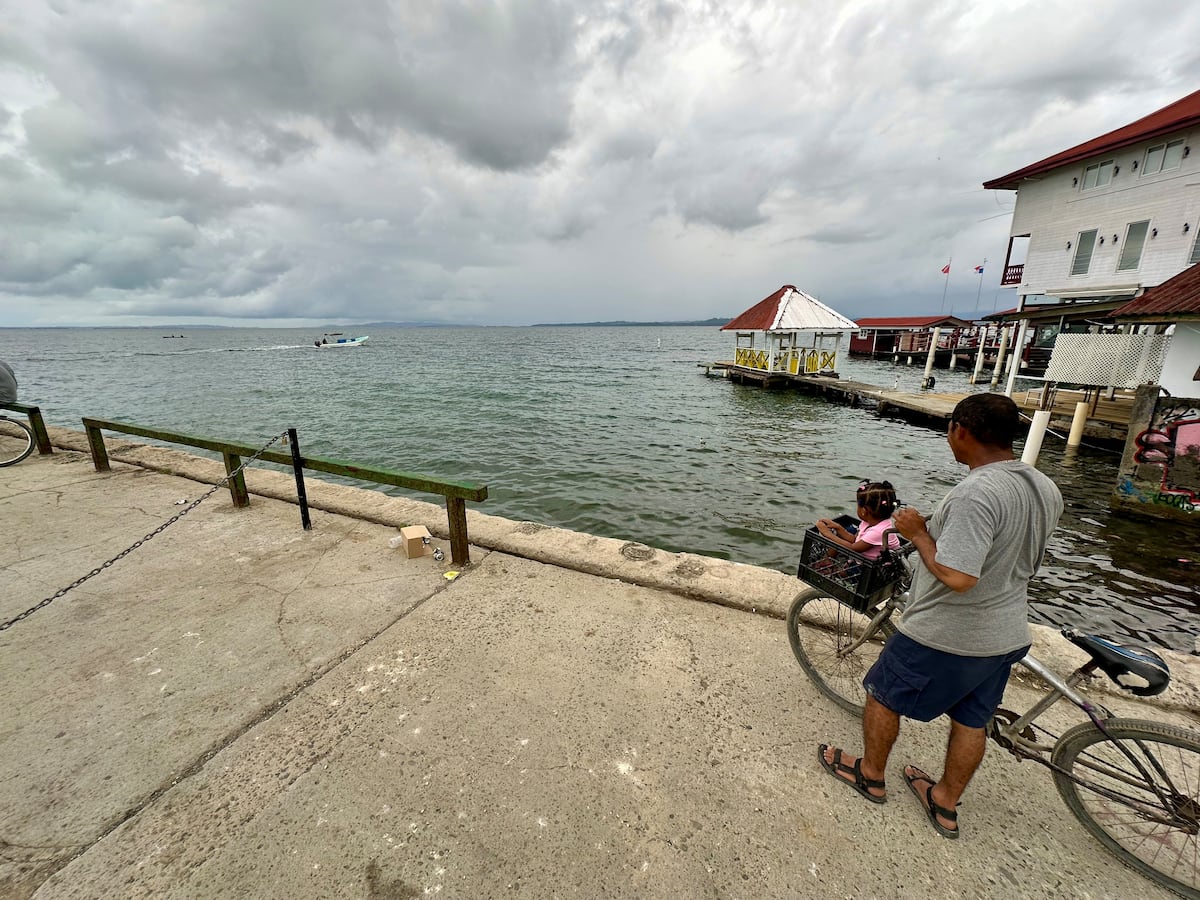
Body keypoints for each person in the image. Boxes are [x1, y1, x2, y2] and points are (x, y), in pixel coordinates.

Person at [817, 393, 1063, 840]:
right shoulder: (1043, 486)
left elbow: (959, 576)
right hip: (1005, 632)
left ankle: (870, 776)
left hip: (947, 633)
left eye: (951, 429)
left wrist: (918, 535)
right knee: (972, 720)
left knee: (882, 694)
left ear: (960, 431)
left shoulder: (975, 493)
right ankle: (944, 802)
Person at [815, 480, 901, 560]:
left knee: (842, 568)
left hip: (871, 568)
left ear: (864, 511)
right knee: (849, 530)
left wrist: (827, 534)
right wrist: (838, 527)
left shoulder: (879, 532)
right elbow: (855, 540)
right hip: (863, 559)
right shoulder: (869, 522)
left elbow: (853, 549)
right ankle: (826, 561)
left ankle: (826, 563)